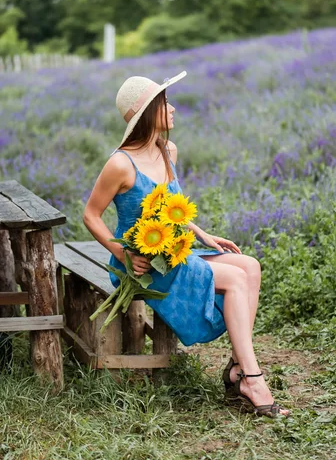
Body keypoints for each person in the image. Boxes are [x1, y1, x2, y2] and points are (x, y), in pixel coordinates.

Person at [83, 71, 290, 419]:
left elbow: (168, 206)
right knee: (236, 280)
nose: (174, 108)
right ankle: (252, 379)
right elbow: (91, 215)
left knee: (249, 266)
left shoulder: (168, 151)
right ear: (148, 111)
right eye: (165, 102)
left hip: (174, 251)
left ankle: (238, 368)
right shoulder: (120, 164)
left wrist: (203, 234)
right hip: (144, 265)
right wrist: (123, 252)